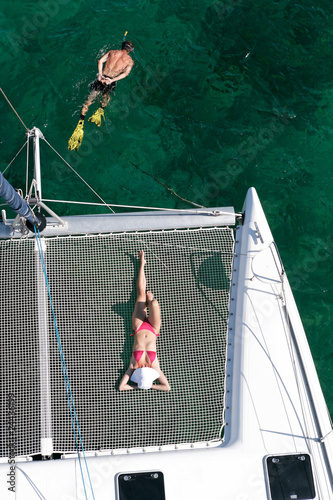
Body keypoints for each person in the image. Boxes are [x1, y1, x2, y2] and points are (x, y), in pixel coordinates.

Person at [68, 40, 134, 151]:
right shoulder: (129, 61)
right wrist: (111, 80)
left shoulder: (111, 52)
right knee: (106, 98)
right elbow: (125, 74)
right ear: (130, 50)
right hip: (110, 81)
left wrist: (100, 75)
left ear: (122, 46)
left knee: (89, 100)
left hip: (101, 78)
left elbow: (100, 61)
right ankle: (100, 110)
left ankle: (80, 123)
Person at [119, 250, 171, 391]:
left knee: (141, 293)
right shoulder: (156, 367)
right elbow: (167, 387)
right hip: (153, 329)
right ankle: (150, 301)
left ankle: (142, 262)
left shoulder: (133, 366)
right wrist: (149, 385)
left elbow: (122, 387)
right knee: (154, 303)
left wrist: (139, 386)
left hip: (139, 327)